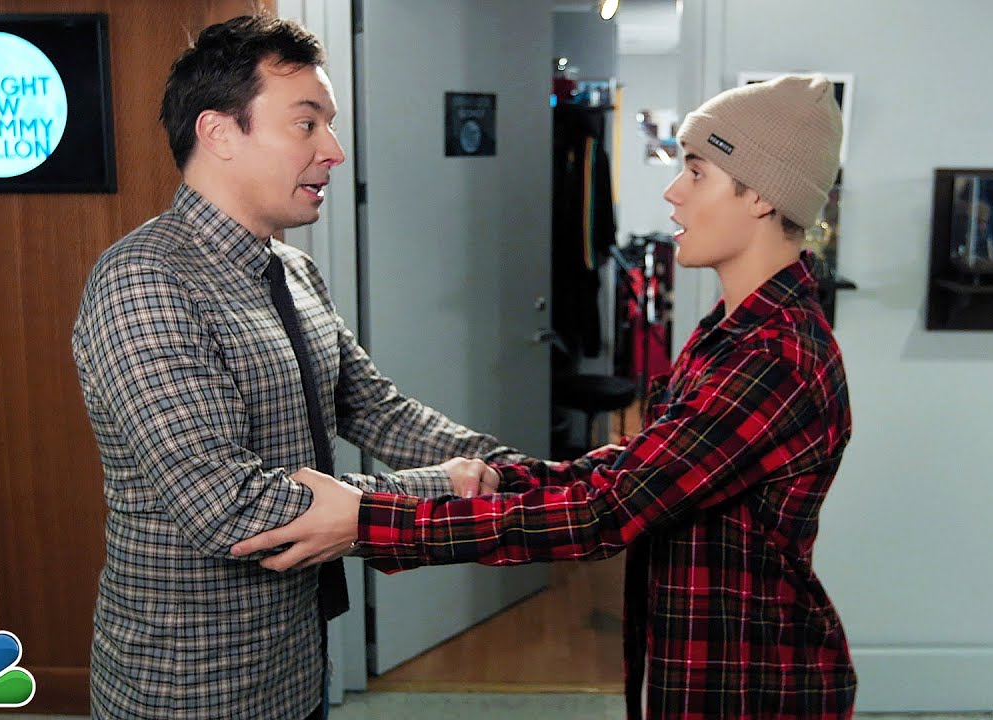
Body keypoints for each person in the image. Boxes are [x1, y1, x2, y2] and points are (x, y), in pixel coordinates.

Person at [234, 74, 858, 720]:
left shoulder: (773, 357)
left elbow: (606, 512)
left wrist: (367, 521)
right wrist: (505, 477)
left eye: (697, 173)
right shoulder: (731, 333)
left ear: (761, 196)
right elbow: (636, 471)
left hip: (752, 687)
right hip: (699, 669)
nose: (673, 192)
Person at [72, 14, 516, 719]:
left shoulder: (294, 272)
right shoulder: (146, 279)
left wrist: (508, 468)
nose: (333, 151)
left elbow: (375, 410)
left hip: (295, 659)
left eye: (328, 126)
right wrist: (444, 486)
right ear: (219, 133)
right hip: (192, 684)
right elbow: (226, 506)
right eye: (306, 124)